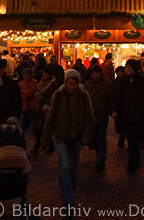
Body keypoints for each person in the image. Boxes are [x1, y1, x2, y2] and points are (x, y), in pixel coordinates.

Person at [42, 69, 95, 206]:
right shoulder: (58, 95)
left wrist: (86, 135)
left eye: (74, 84)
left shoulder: (83, 96)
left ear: (78, 84)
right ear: (66, 83)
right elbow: (51, 117)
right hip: (60, 136)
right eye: (69, 84)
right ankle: (68, 200)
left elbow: (90, 117)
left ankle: (68, 189)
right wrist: (46, 139)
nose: (71, 87)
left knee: (74, 169)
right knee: (65, 166)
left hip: (76, 137)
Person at [115, 59, 144, 173]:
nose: (127, 70)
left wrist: (142, 103)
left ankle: (133, 162)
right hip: (126, 115)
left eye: (130, 68)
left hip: (138, 115)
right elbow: (118, 97)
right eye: (126, 67)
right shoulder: (123, 81)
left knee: (135, 139)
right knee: (131, 139)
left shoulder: (141, 80)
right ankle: (133, 160)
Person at [84, 64, 115, 171]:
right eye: (94, 73)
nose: (95, 75)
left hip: (102, 116)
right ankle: (98, 154)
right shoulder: (87, 84)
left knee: (101, 137)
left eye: (97, 73)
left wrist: (108, 110)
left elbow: (111, 99)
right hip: (91, 116)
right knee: (94, 137)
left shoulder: (108, 85)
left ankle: (100, 161)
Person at [31, 65, 58, 156]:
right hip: (40, 107)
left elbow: (52, 96)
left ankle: (36, 148)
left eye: (45, 73)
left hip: (47, 109)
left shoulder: (53, 84)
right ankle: (49, 145)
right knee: (43, 128)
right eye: (43, 73)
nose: (43, 75)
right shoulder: (42, 82)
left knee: (42, 129)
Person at [18, 68, 40, 146]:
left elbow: (29, 93)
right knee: (23, 126)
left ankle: (37, 141)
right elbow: (30, 92)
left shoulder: (32, 83)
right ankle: (20, 142)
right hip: (26, 107)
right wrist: (28, 92)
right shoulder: (23, 83)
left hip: (30, 107)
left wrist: (24, 93)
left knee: (33, 126)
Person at [114, 66, 126, 147]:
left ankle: (122, 139)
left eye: (122, 71)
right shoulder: (114, 82)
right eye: (119, 72)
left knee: (125, 124)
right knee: (119, 123)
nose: (120, 73)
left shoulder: (128, 81)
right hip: (118, 106)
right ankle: (121, 138)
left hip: (126, 106)